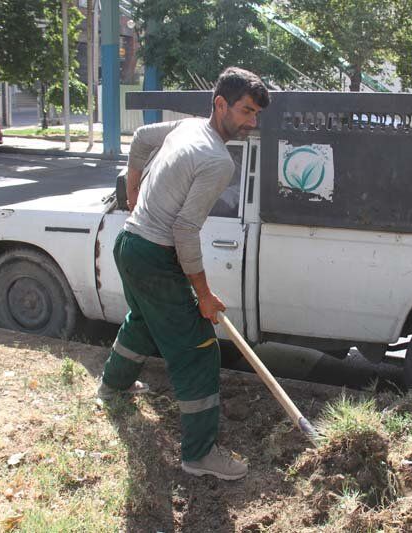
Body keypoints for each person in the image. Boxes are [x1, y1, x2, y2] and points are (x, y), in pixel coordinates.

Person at [97, 67, 270, 481]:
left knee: (143, 321)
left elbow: (140, 140)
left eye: (257, 115)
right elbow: (184, 230)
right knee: (198, 351)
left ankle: (112, 387)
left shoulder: (188, 128)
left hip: (130, 245)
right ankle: (199, 455)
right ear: (220, 104)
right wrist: (205, 295)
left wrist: (133, 190)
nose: (251, 122)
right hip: (154, 255)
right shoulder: (217, 160)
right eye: (246, 111)